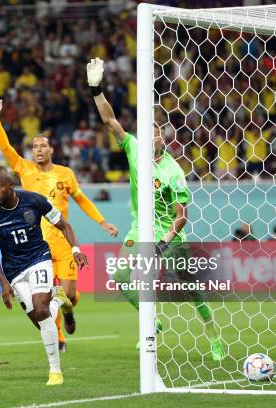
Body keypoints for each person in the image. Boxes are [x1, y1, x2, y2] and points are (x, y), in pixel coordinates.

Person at [87, 58, 225, 361]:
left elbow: (181, 216)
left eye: (157, 133)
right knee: (121, 277)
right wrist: (96, 90)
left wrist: (163, 244)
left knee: (189, 285)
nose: (152, 138)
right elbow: (110, 121)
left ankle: (214, 334)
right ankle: (152, 323)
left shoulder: (173, 172)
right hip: (140, 229)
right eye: (148, 133)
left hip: (170, 235)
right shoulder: (133, 148)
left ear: (163, 138)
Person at [0, 89, 118, 352]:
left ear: (51, 149)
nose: (38, 150)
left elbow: (81, 200)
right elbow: (5, 147)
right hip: (38, 247)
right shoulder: (24, 169)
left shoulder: (65, 173)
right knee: (45, 297)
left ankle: (69, 310)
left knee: (68, 295)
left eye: (42, 146)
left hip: (62, 241)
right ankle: (59, 337)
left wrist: (102, 221)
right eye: (34, 146)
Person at [0, 167, 88, 385]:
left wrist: (75, 249)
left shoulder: (34, 201)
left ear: (10, 185)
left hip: (39, 258)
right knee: (42, 321)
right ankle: (58, 299)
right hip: (14, 271)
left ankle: (55, 372)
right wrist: (3, 283)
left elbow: (64, 225)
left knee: (40, 308)